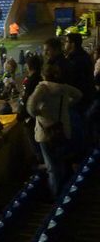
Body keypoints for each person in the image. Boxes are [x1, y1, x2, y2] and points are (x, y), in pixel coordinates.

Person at [27, 64, 82, 197]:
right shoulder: (64, 88)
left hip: (46, 132)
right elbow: (79, 95)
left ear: (44, 75)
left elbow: (30, 107)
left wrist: (38, 112)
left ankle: (56, 196)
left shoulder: (43, 87)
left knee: (52, 167)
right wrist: (66, 106)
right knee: (59, 162)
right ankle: (63, 191)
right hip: (62, 130)